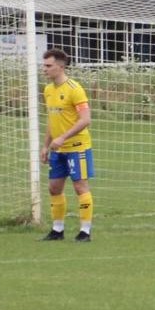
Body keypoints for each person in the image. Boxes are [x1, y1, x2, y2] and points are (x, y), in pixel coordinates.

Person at [40, 48, 95, 242]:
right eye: (43, 65)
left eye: (48, 66)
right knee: (54, 188)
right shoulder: (48, 90)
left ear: (60, 67)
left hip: (77, 147)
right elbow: (51, 119)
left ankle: (85, 231)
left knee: (80, 187)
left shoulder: (74, 89)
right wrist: (46, 145)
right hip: (58, 149)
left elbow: (85, 119)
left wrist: (63, 137)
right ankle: (57, 230)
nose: (44, 69)